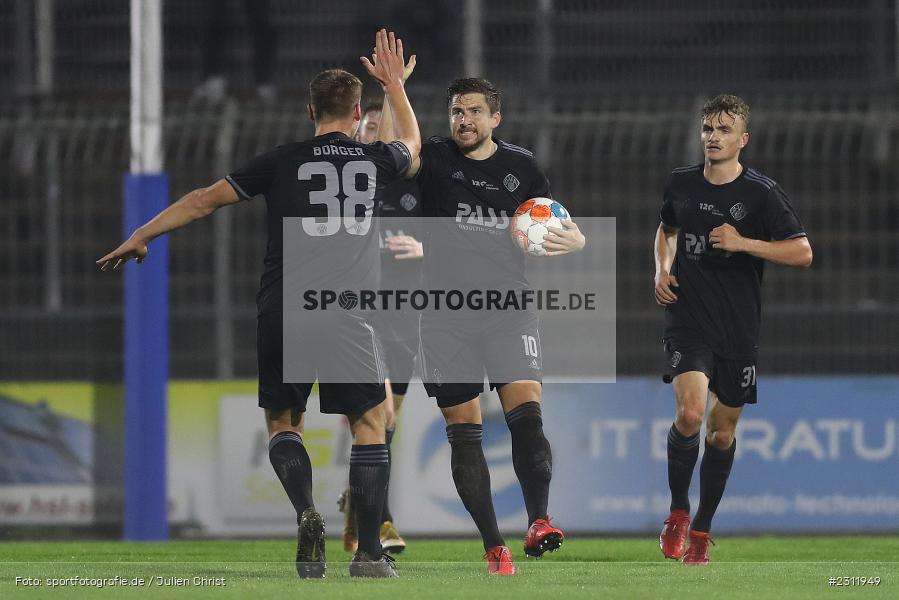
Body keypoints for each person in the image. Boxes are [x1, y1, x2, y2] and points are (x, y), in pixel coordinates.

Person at [97, 29, 420, 578]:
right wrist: (396, 87)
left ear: (310, 109)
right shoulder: (373, 163)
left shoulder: (281, 159)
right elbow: (411, 146)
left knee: (283, 425)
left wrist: (143, 233)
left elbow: (202, 201)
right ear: (358, 109)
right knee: (371, 421)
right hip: (346, 309)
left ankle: (307, 514)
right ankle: (367, 553)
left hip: (284, 307)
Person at [379, 75, 585, 575]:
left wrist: (574, 240)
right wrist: (393, 89)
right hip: (445, 317)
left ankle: (539, 521)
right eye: (456, 111)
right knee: (463, 429)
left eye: (473, 111)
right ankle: (495, 545)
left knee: (527, 412)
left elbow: (558, 222)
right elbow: (394, 149)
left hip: (509, 308)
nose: (463, 120)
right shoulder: (434, 159)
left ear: (495, 118)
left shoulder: (522, 168)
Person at [654, 94, 813, 565]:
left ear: (742, 139)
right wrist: (660, 270)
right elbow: (666, 229)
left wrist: (744, 243)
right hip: (688, 320)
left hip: (738, 329)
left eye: (724, 130)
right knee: (691, 412)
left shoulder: (761, 193)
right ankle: (678, 513)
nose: (713, 137)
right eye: (708, 128)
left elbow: (803, 252)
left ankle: (701, 530)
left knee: (721, 434)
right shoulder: (680, 182)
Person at [338, 96, 424, 555]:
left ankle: (357, 505)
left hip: (405, 313)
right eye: (370, 126)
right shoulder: (350, 186)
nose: (379, 132)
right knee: (380, 415)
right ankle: (382, 521)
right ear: (357, 133)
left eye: (383, 126)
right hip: (360, 311)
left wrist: (428, 247)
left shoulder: (415, 184)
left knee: (387, 426)